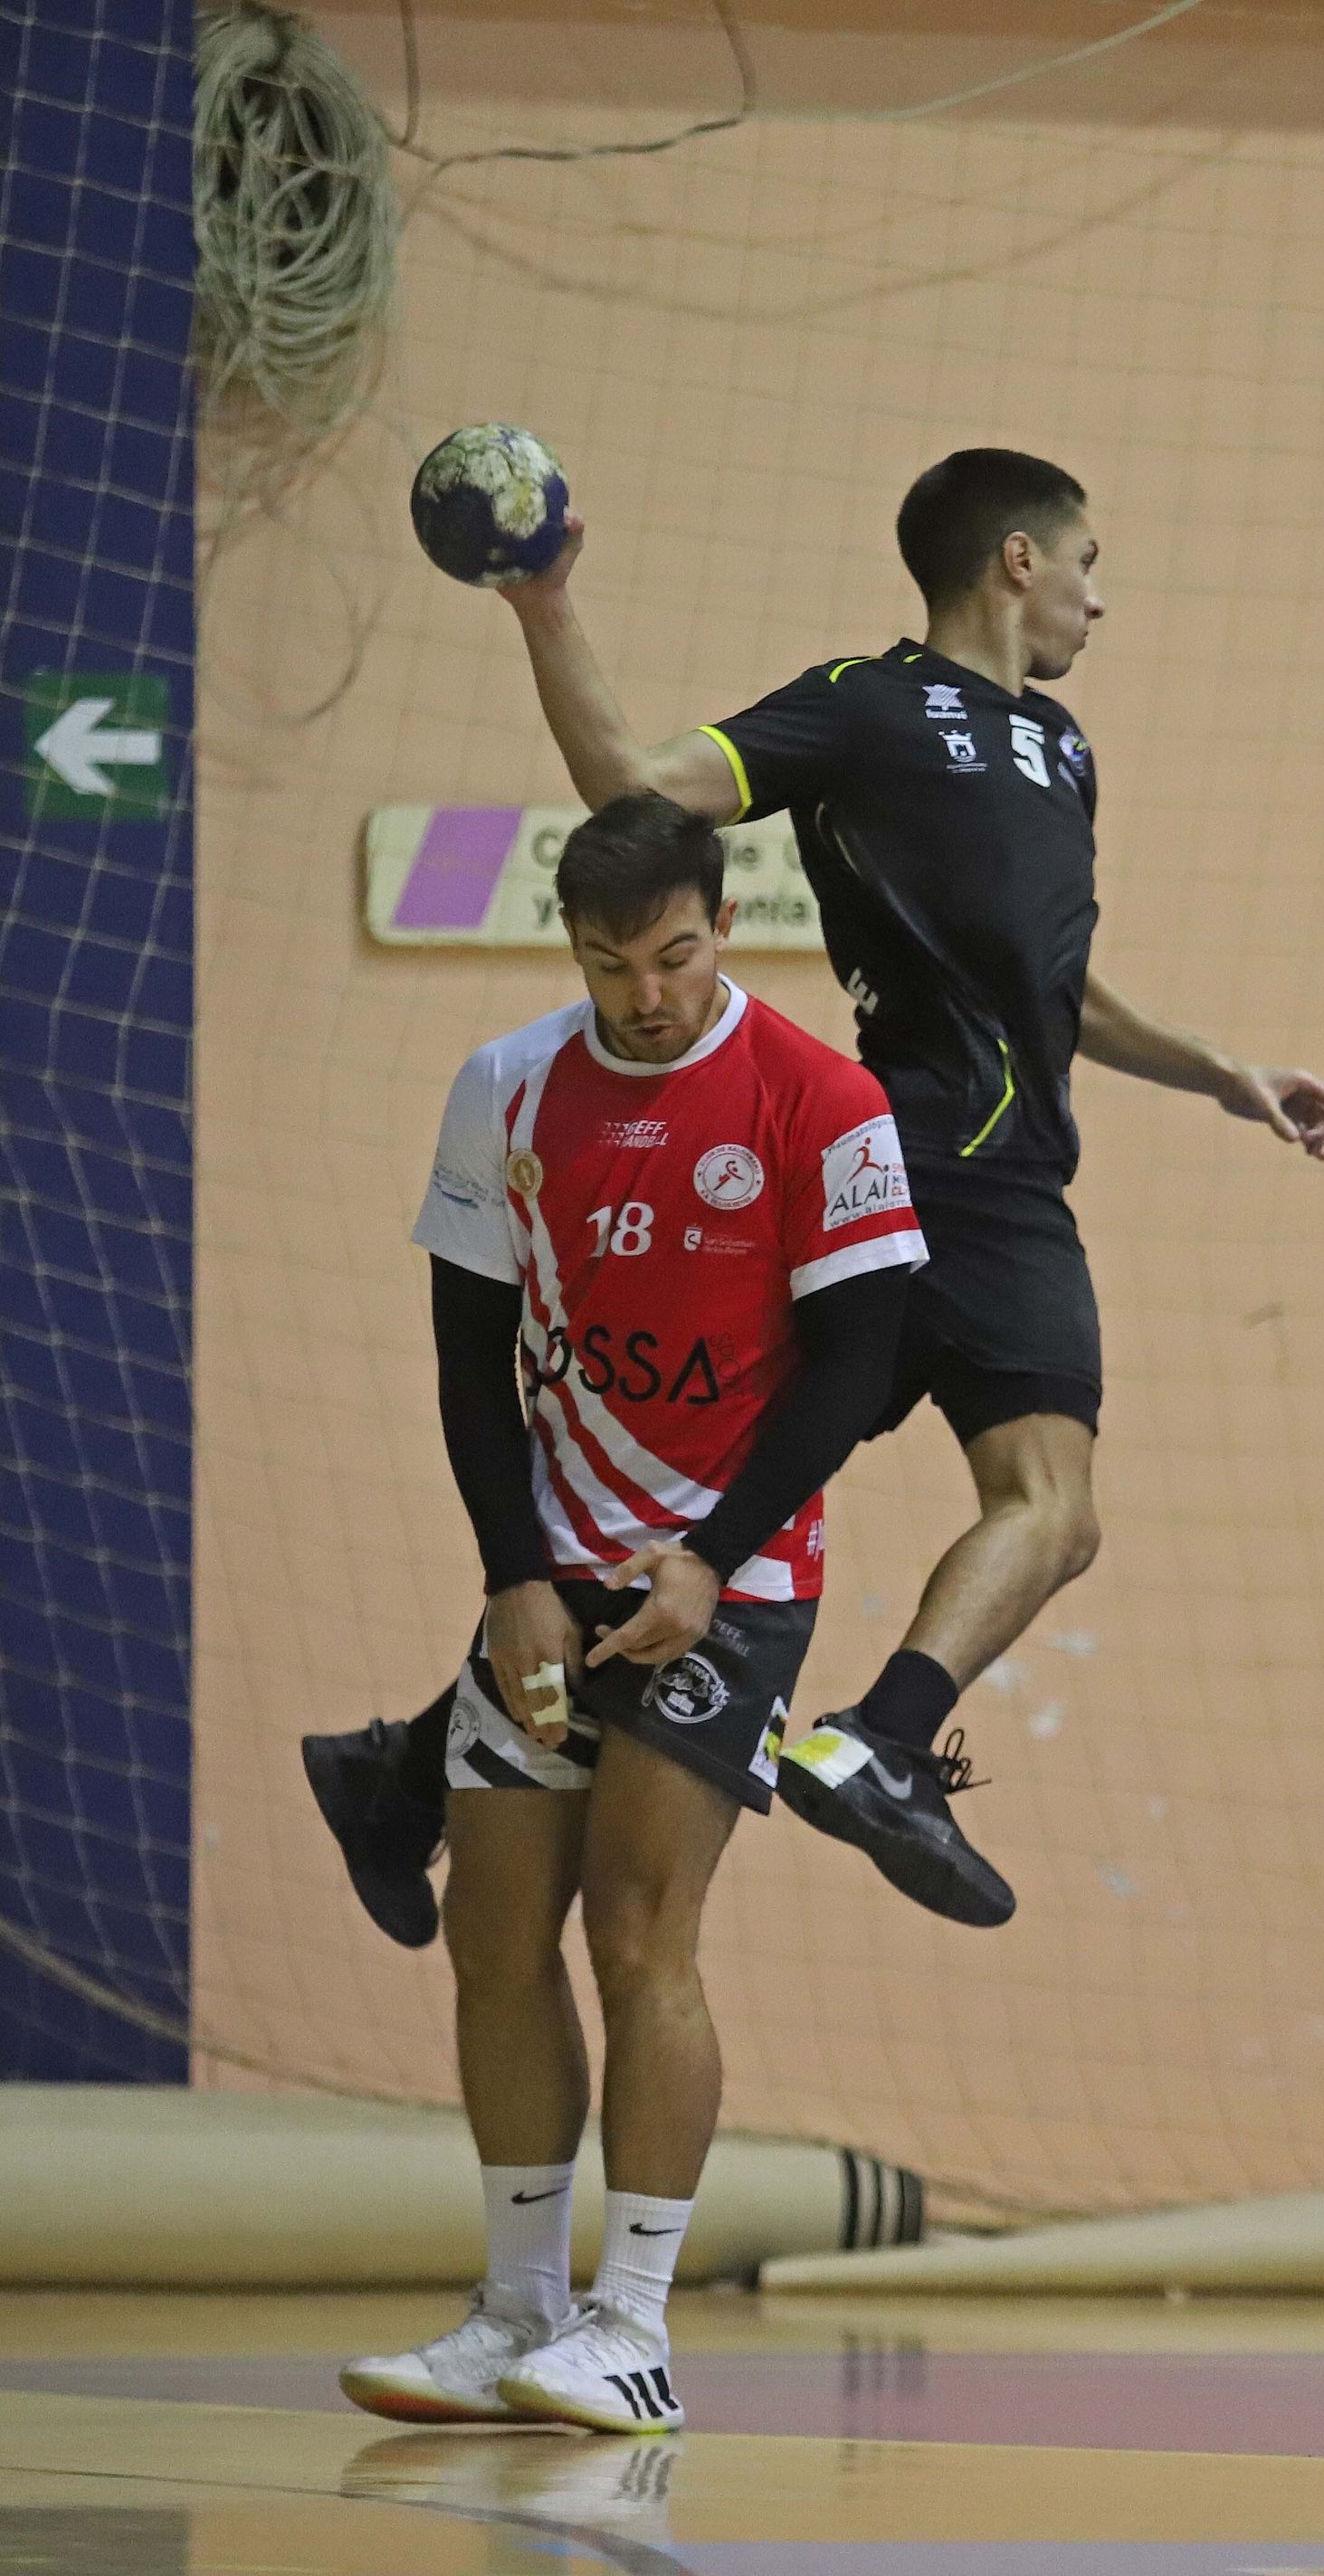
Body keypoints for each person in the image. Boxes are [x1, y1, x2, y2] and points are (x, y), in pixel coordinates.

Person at [306, 445, 1324, 1942]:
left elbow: (1051, 988)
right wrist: (543, 606)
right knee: (1050, 1506)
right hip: (947, 1168)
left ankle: (400, 1773)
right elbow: (631, 791)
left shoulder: (1061, 751)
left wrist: (1222, 1073)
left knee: (710, 1516)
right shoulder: (865, 704)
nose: (1098, 599)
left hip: (984, 1171)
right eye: (1088, 563)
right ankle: (884, 1743)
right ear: (1018, 560)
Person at [339, 792, 928, 2432]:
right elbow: (470, 1363)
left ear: (722, 925)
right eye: (612, 965)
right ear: (574, 945)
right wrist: (512, 1578)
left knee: (638, 1929)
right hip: (554, 1572)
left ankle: (636, 2329)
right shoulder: (506, 1087)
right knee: (492, 1933)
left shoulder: (823, 1099)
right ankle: (516, 2314)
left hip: (731, 1580)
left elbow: (859, 1368)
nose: (647, 994)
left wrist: (711, 1556)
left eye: (673, 956)